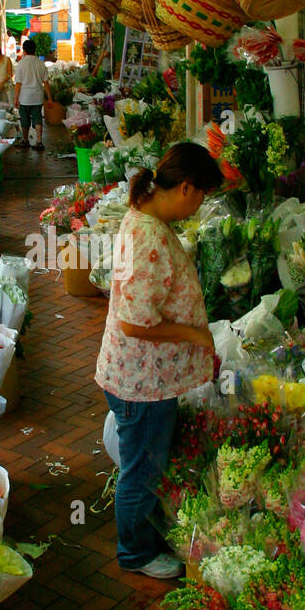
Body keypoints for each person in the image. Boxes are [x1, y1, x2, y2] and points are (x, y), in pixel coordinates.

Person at [95, 142, 222, 578]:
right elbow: (135, 323)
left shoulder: (145, 218)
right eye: (202, 194)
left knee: (145, 463)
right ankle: (134, 553)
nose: (201, 204)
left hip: (141, 377)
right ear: (186, 188)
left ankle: (142, 539)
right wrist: (194, 333)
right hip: (141, 384)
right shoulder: (148, 236)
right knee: (141, 471)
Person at [12, 37, 51, 150]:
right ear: (35, 50)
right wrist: (49, 98)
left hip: (24, 98)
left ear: (24, 50)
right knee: (37, 119)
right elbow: (46, 83)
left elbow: (18, 84)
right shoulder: (41, 64)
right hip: (37, 97)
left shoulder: (21, 64)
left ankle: (25, 140)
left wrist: (15, 98)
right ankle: (39, 141)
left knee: (25, 120)